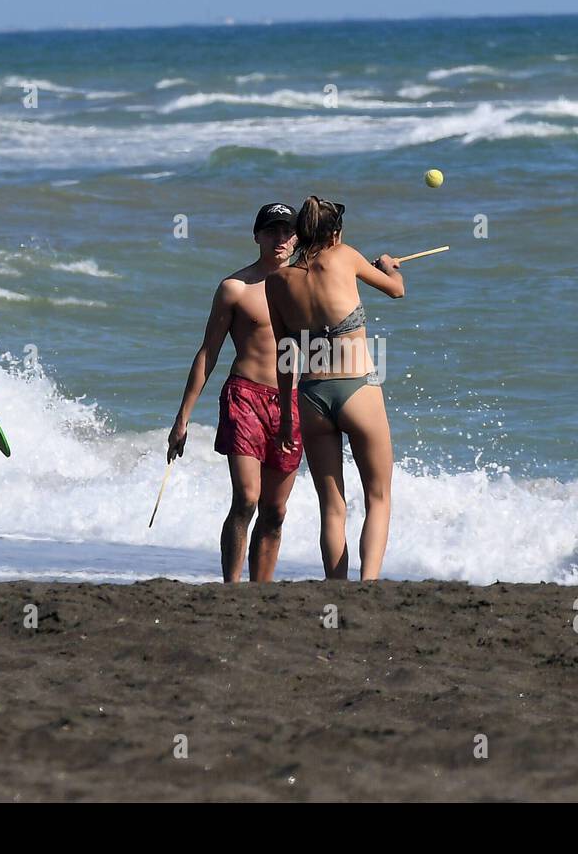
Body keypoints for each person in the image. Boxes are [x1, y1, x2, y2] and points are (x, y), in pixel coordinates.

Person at [265, 196, 404, 581]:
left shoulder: (276, 282)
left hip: (310, 397)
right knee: (378, 497)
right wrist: (390, 267)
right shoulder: (344, 255)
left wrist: (286, 419)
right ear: (335, 233)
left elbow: (284, 353)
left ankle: (337, 589)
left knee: (332, 507)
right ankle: (369, 584)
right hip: (357, 389)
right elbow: (396, 290)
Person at [168, 203, 304, 583]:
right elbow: (208, 352)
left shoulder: (308, 285)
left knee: (275, 511)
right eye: (272, 231)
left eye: (288, 232)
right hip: (244, 397)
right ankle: (231, 589)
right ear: (257, 235)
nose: (281, 239)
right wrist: (182, 419)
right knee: (246, 499)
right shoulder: (236, 287)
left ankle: (262, 591)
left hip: (292, 403)